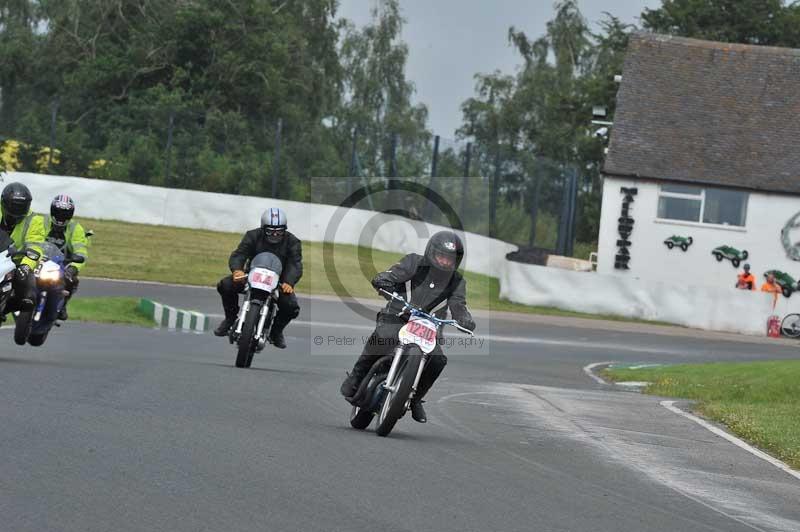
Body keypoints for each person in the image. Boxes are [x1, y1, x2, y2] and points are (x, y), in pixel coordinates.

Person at [339, 230, 476, 423]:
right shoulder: (413, 262)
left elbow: (458, 305)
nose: (445, 262)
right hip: (398, 316)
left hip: (428, 329)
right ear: (431, 252)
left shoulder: (457, 281)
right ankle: (356, 376)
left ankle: (415, 398)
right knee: (383, 336)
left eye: (450, 259)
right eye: (442, 256)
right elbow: (392, 275)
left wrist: (464, 318)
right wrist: (384, 281)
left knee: (438, 360)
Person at [213, 208, 302, 348]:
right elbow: (239, 254)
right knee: (225, 285)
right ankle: (230, 319)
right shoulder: (252, 236)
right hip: (251, 276)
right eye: (270, 231)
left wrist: (289, 282)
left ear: (285, 229)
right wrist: (237, 270)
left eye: (279, 231)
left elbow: (294, 264)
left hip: (278, 282)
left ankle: (276, 332)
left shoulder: (293, 242)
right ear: (263, 228)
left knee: (291, 307)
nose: (275, 234)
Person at [0, 182, 45, 315]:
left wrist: (26, 265)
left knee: (28, 295)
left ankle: (8, 308)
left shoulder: (34, 220)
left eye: (21, 208)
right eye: (13, 207)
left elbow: (36, 245)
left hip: (18, 260)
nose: (16, 213)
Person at [44, 195, 90, 320]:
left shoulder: (76, 228)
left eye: (65, 214)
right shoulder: (42, 222)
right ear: (52, 211)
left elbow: (81, 250)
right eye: (58, 212)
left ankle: (63, 304)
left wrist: (74, 267)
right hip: (40, 259)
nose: (60, 216)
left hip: (62, 263)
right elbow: (31, 238)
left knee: (72, 280)